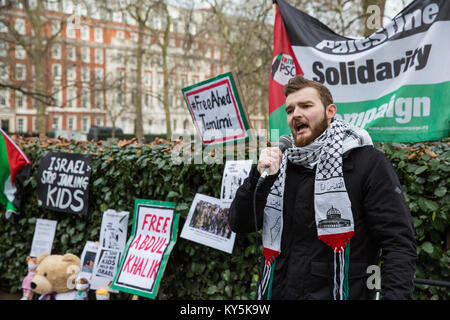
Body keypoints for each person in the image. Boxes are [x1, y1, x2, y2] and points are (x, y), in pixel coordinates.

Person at [229, 75, 416, 300]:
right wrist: (259, 176)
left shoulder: (367, 163)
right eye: (290, 110)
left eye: (306, 106)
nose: (296, 114)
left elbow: (398, 244)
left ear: (330, 112)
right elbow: (239, 223)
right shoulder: (279, 166)